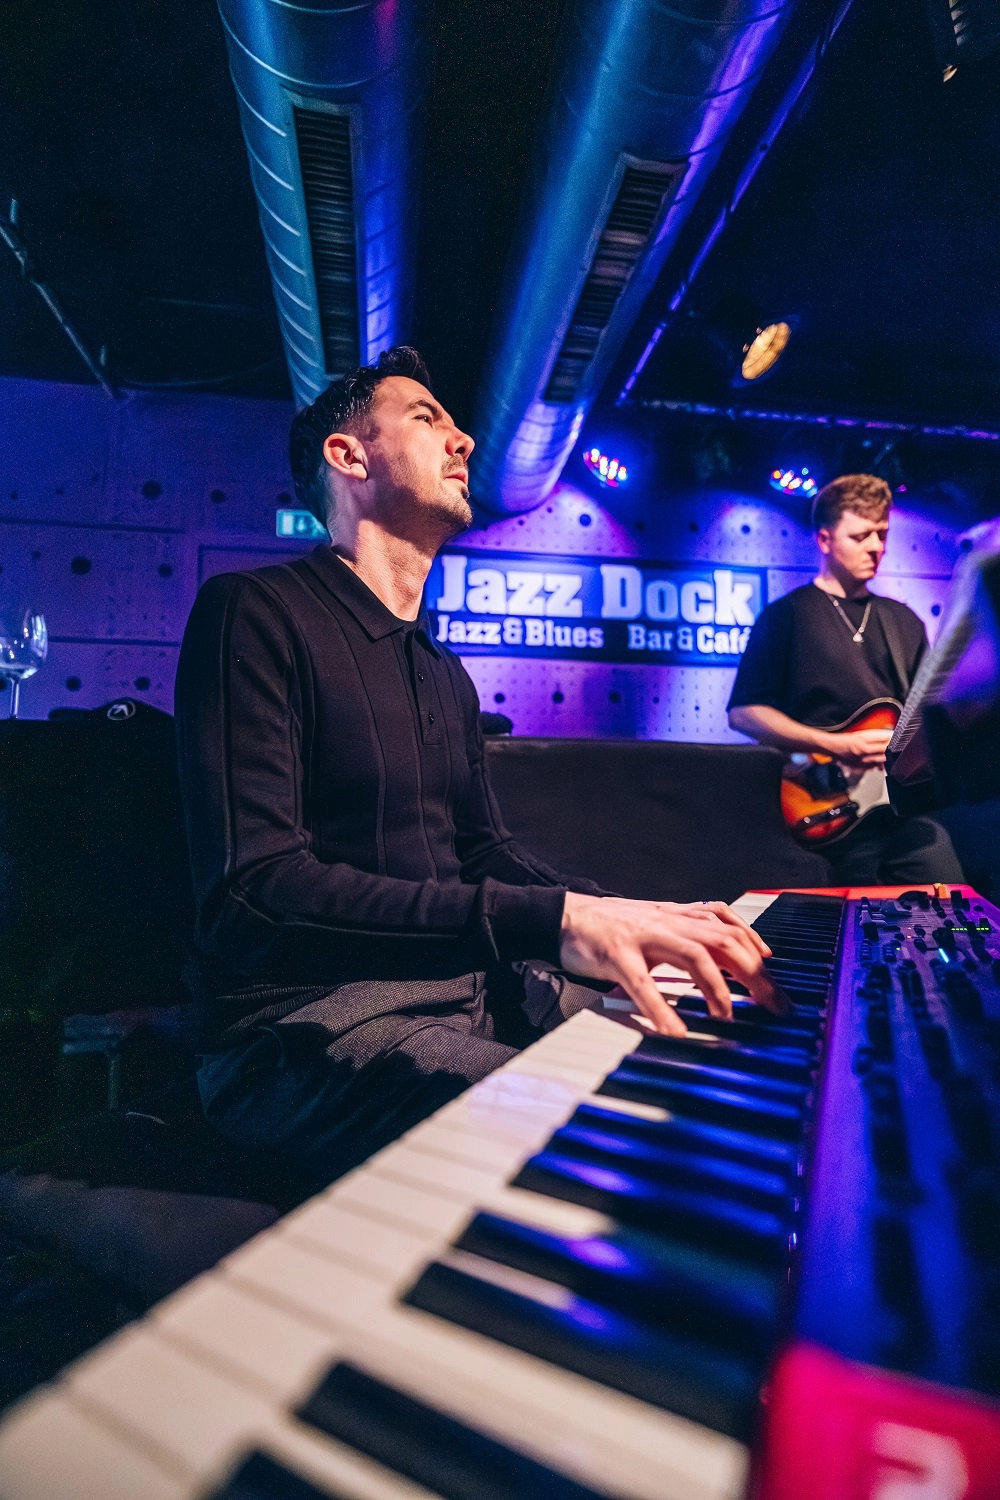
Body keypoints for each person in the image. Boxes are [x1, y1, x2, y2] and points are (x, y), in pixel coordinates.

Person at [175, 346, 784, 1197]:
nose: (463, 440)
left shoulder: (444, 671)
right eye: (427, 419)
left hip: (470, 993)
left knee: (730, 1078)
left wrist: (624, 913)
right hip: (308, 1026)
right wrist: (551, 921)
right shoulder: (254, 612)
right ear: (348, 457)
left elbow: (484, 850)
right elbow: (255, 892)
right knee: (643, 1145)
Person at [728, 472, 962, 885]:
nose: (876, 547)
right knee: (853, 916)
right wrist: (837, 744)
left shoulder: (903, 621)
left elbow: (925, 715)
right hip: (823, 805)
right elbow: (744, 714)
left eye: (882, 534)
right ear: (824, 540)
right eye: (861, 536)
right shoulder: (786, 616)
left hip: (898, 807)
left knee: (950, 897)